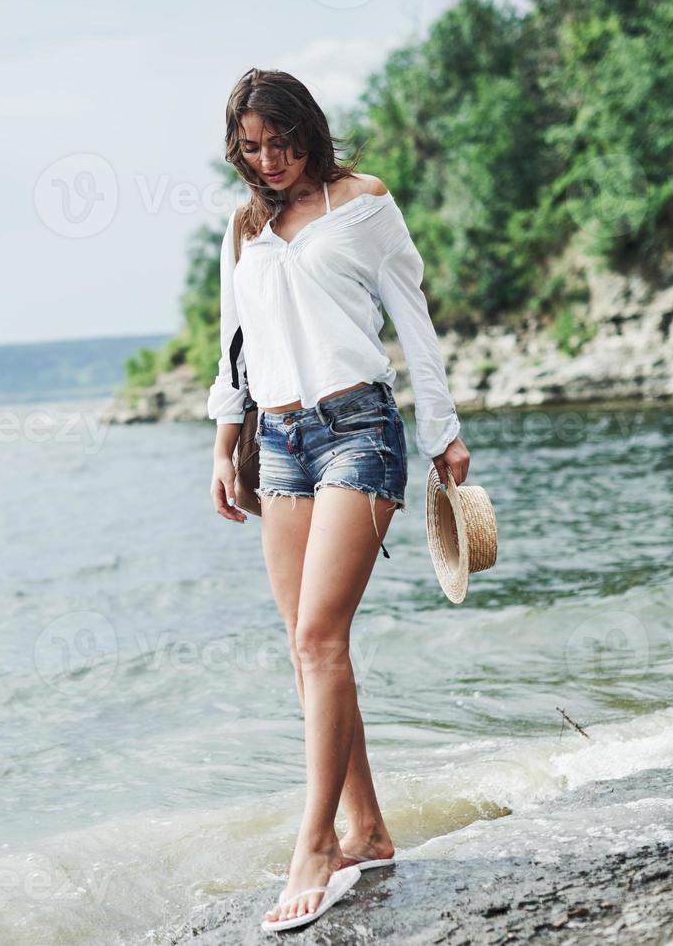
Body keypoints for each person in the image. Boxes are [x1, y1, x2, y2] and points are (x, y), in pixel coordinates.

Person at [207, 68, 471, 929]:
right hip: (277, 443)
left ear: (308, 132)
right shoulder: (244, 227)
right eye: (252, 148)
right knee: (306, 645)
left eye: (281, 142)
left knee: (321, 637)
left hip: (360, 428)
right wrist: (222, 446)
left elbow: (414, 322)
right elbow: (233, 351)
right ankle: (368, 825)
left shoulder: (364, 203)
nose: (269, 160)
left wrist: (444, 432)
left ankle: (315, 841)